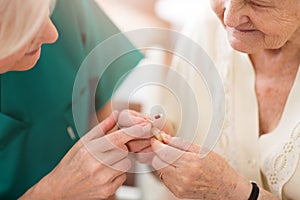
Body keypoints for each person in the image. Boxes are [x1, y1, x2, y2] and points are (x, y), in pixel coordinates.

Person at [127, 0, 300, 199]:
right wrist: (156, 151)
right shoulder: (205, 28)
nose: (229, 18)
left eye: (257, 2)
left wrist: (235, 192)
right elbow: (164, 176)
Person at [0, 0, 150, 199]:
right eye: (29, 27)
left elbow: (103, 122)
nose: (52, 35)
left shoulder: (68, 6)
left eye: (47, 12)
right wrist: (52, 193)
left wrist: (136, 140)